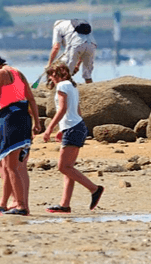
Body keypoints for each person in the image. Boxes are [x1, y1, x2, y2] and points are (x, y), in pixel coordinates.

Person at [0, 52, 41, 216]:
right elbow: (31, 98)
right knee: (13, 165)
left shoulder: (0, 73)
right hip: (22, 117)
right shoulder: (17, 71)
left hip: (11, 119)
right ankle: (7, 203)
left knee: (11, 166)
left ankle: (21, 205)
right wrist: (37, 122)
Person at [40, 62, 104, 213]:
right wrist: (64, 128)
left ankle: (94, 189)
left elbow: (62, 109)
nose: (51, 77)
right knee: (68, 168)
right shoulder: (72, 85)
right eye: (50, 74)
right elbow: (77, 111)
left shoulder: (62, 86)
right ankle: (65, 205)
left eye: (52, 74)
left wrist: (49, 129)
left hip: (74, 128)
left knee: (63, 167)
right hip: (76, 126)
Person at [48, 19, 97, 84]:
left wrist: (50, 65)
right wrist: (77, 65)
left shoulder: (57, 27)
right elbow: (83, 47)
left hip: (75, 45)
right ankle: (91, 89)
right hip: (92, 44)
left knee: (66, 72)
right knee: (87, 74)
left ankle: (62, 89)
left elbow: (56, 47)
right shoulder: (74, 24)